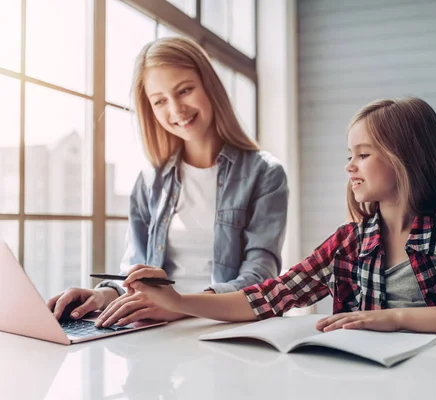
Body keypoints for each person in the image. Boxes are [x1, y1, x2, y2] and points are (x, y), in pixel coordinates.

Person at [117, 97, 436, 336]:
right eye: (349, 156)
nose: (350, 167)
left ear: (405, 158)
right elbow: (269, 297)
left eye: (363, 154)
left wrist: (394, 319)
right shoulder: (349, 242)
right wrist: (177, 300)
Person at [47, 37, 289, 326]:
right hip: (157, 329)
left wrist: (181, 304)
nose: (176, 109)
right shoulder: (150, 181)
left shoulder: (265, 173)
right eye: (160, 100)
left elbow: (260, 279)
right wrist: (103, 296)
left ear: (209, 85)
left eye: (185, 90)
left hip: (225, 329)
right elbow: (134, 274)